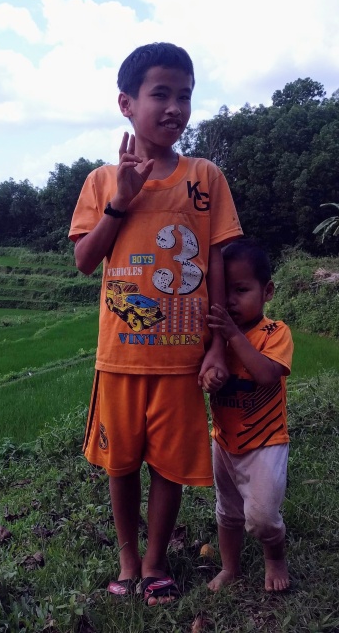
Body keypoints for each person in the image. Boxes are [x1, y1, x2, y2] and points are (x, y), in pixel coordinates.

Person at [69, 42, 243, 605]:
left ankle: (156, 560)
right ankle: (126, 559)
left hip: (182, 357)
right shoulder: (101, 181)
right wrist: (122, 199)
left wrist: (218, 345)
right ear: (126, 102)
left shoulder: (205, 177)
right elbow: (84, 260)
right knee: (121, 463)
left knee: (169, 466)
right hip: (120, 355)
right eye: (160, 94)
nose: (174, 108)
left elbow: (216, 259)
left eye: (184, 96)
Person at [202, 238, 293, 592]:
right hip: (224, 441)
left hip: (267, 441)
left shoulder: (275, 332)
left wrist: (232, 336)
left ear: (267, 291)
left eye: (241, 290)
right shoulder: (216, 340)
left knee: (264, 517)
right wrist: (209, 375)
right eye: (224, 292)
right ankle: (230, 567)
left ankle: (275, 556)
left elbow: (267, 374)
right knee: (228, 512)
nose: (230, 301)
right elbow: (205, 376)